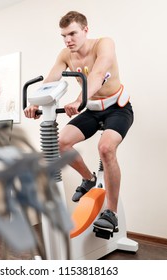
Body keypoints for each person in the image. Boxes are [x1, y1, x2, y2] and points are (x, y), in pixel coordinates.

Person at [24, 11, 134, 234]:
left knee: (106, 148)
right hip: (92, 109)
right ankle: (89, 178)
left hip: (117, 108)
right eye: (64, 36)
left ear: (85, 30)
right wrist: (34, 103)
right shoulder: (66, 54)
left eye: (72, 33)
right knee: (61, 143)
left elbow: (98, 72)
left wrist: (78, 100)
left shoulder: (104, 44)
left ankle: (110, 213)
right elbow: (51, 80)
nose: (68, 40)